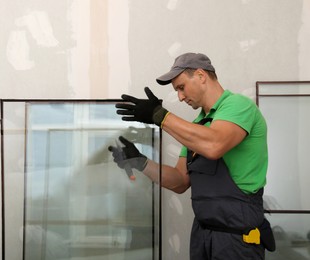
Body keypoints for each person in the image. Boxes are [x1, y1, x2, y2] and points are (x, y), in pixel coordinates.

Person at [108, 52, 275, 259]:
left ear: (201, 75)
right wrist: (140, 161)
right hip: (202, 236)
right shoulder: (197, 127)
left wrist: (159, 116)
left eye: (181, 87)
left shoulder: (239, 106)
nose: (180, 96)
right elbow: (179, 181)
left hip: (237, 240)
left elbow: (214, 144)